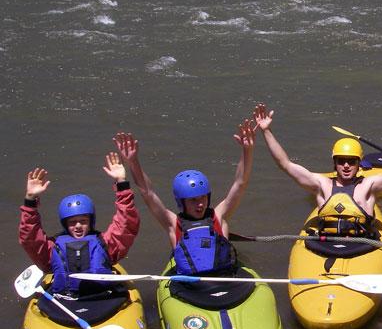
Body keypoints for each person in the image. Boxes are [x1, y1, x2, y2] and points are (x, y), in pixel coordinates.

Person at [253, 103, 382, 237]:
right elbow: (285, 164)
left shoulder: (369, 186)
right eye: (341, 161)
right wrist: (266, 131)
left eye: (351, 162)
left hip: (361, 245)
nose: (346, 166)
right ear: (335, 163)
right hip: (326, 244)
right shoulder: (320, 184)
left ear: (358, 164)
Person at [113, 120, 255, 276]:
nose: (200, 204)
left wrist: (247, 150)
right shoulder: (173, 224)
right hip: (191, 290)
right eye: (193, 200)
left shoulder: (219, 216)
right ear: (182, 202)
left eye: (203, 198)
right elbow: (148, 193)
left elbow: (240, 183)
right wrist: (133, 162)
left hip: (224, 281)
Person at [18, 153, 140, 298]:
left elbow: (126, 223)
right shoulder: (52, 249)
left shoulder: (106, 243)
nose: (77, 226)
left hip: (103, 298)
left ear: (90, 222)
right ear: (65, 224)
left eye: (83, 221)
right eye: (72, 222)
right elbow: (30, 238)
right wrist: (30, 201)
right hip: (65, 301)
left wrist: (121, 183)